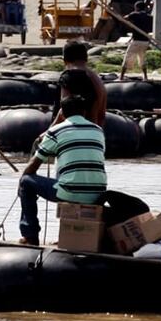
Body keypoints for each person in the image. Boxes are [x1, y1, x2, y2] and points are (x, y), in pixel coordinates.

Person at [17, 71, 107, 244]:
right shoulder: (98, 130)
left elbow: (33, 167)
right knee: (68, 175)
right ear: (84, 112)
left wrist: (20, 181)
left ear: (62, 114)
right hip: (97, 194)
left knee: (27, 181)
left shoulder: (56, 130)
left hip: (71, 192)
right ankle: (71, 236)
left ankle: (30, 235)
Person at [61, 40, 107, 127]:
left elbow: (63, 113)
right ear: (86, 58)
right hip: (95, 135)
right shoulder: (98, 80)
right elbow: (102, 116)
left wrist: (47, 133)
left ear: (64, 59)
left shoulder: (69, 76)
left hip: (72, 135)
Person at [118, 0, 154, 81]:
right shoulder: (149, 17)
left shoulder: (135, 14)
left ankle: (121, 77)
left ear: (136, 8)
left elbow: (125, 18)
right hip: (145, 41)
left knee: (128, 57)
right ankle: (145, 77)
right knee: (142, 58)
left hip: (136, 40)